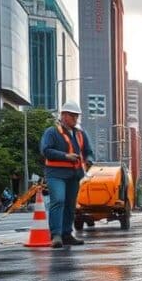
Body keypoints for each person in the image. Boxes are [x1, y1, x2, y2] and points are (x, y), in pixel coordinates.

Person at [40, 101, 94, 249]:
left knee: (70, 205)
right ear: (63, 115)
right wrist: (65, 156)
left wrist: (89, 160)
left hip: (74, 175)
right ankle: (56, 235)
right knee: (58, 200)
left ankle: (66, 234)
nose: (75, 119)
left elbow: (88, 151)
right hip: (56, 174)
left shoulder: (80, 134)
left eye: (76, 116)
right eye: (72, 115)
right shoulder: (52, 132)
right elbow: (46, 150)